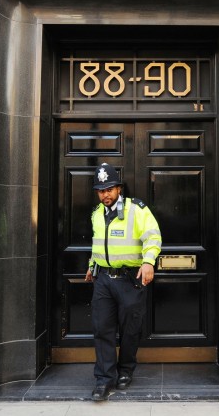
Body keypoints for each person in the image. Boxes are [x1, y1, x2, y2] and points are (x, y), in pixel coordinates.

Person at [84, 163, 162, 401]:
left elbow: (153, 236)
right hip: (104, 280)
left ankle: (126, 370)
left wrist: (148, 262)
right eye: (101, 190)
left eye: (109, 189)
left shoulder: (136, 209)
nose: (105, 194)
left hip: (130, 279)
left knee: (130, 330)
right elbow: (98, 244)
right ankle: (104, 379)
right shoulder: (97, 213)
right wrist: (91, 267)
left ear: (118, 188)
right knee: (102, 329)